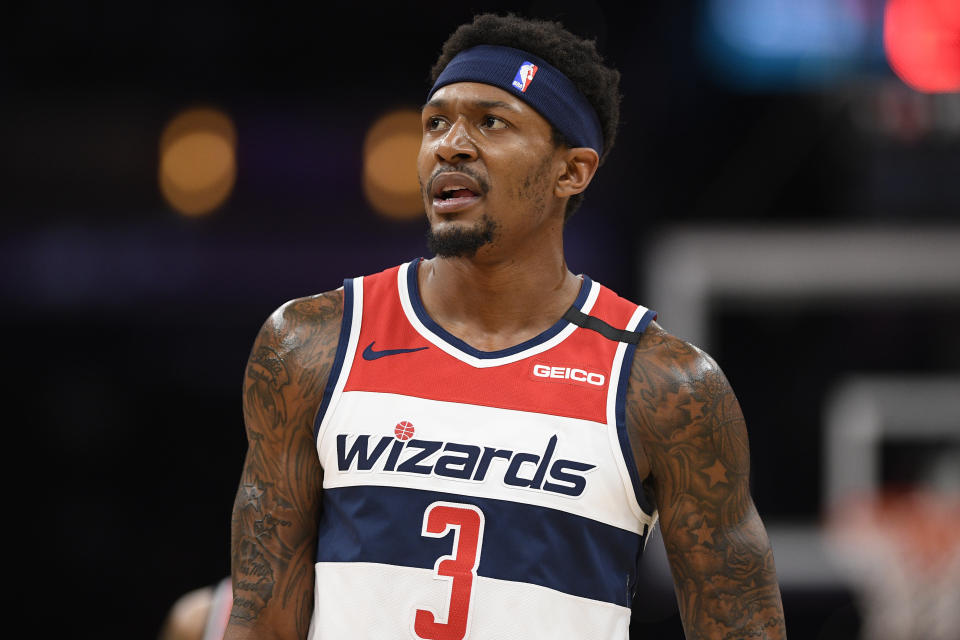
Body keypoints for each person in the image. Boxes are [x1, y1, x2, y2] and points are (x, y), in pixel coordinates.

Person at [224, 12, 787, 639]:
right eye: (436, 122)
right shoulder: (312, 343)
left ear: (571, 172)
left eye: (491, 122)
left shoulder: (665, 385)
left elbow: (742, 627)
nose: (450, 145)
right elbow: (260, 623)